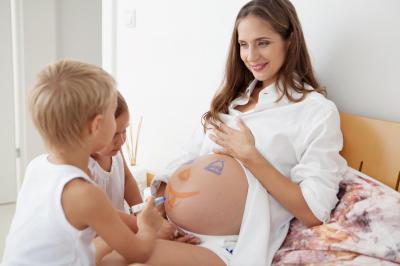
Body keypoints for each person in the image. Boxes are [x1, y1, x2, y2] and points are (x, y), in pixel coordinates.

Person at [150, 0, 348, 265]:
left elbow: (313, 211)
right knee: (101, 251)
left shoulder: (314, 111)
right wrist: (159, 213)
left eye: (263, 42)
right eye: (244, 44)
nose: (251, 56)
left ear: (290, 40)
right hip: (170, 227)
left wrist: (250, 156)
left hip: (224, 244)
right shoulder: (231, 101)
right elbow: (186, 158)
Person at [2, 60, 164, 265]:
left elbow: (106, 214)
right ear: (97, 125)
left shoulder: (37, 167)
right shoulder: (85, 193)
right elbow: (139, 253)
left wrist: (136, 221)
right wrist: (148, 226)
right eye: (113, 118)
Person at [89, 91, 142, 211]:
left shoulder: (115, 150)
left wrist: (140, 211)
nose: (121, 141)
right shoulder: (86, 168)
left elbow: (127, 180)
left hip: (122, 224)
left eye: (124, 131)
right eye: (114, 135)